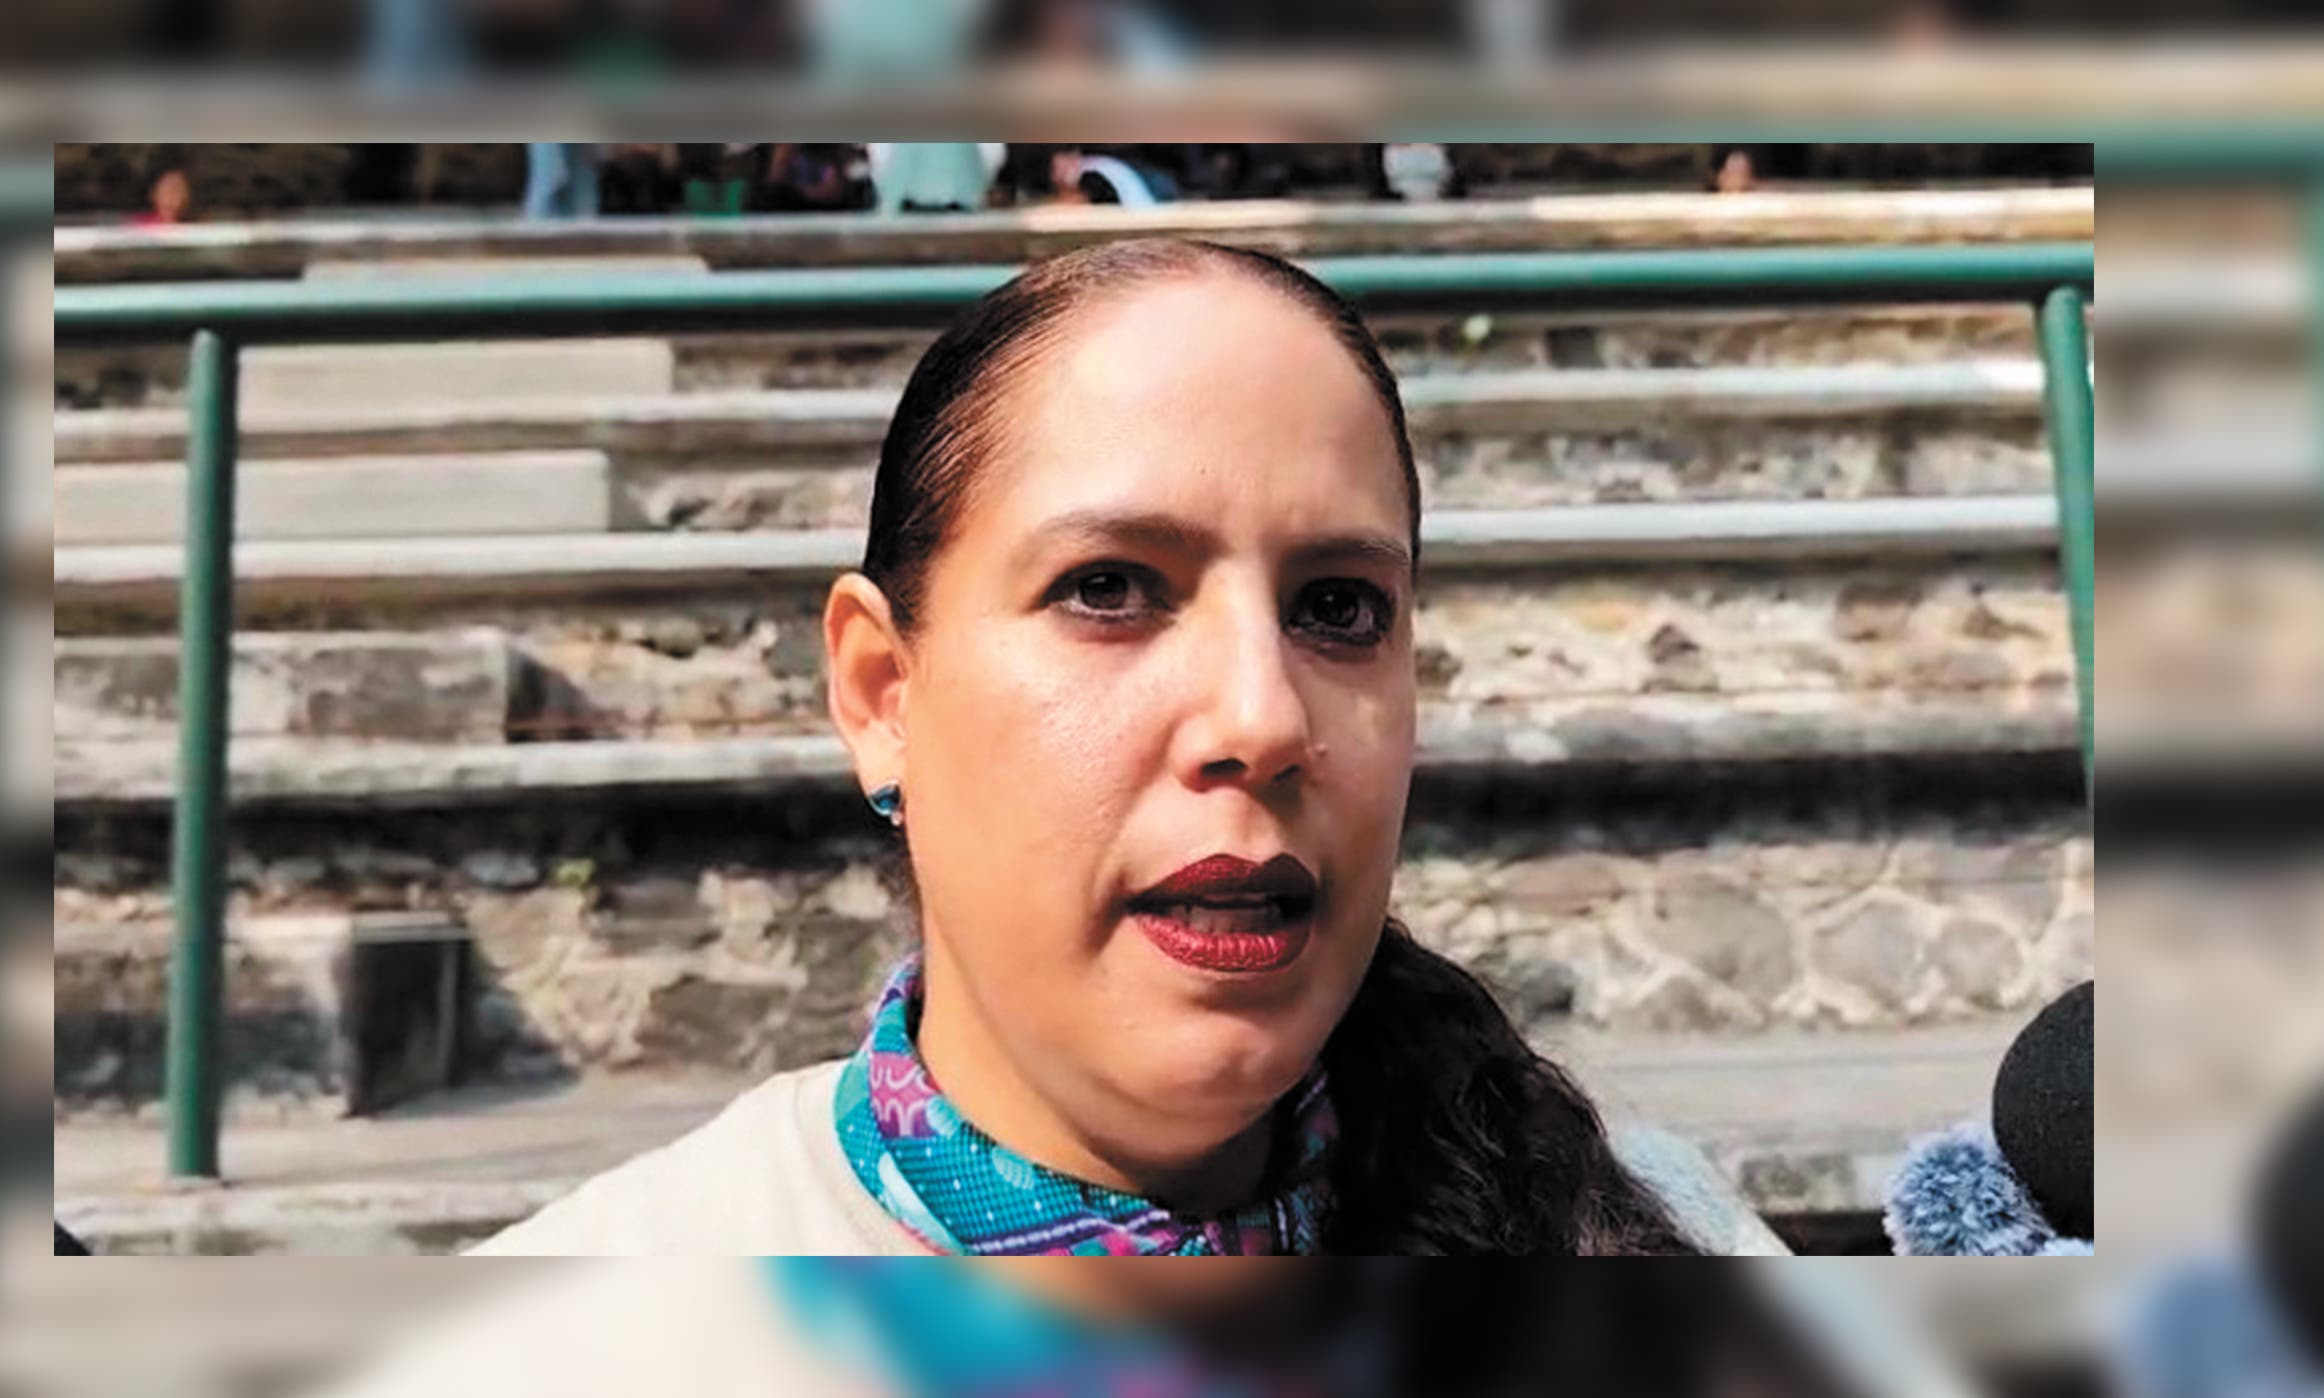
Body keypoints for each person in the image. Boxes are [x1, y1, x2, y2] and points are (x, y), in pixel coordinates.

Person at [472, 237, 1780, 1258]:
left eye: (1337, 607)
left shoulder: (1655, 1245)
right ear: (881, 692)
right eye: (1108, 588)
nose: (1262, 719)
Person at [129, 164, 194, 229]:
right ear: (154, 193)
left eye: (177, 188)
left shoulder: (191, 229)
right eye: (167, 187)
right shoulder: (137, 225)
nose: (172, 194)